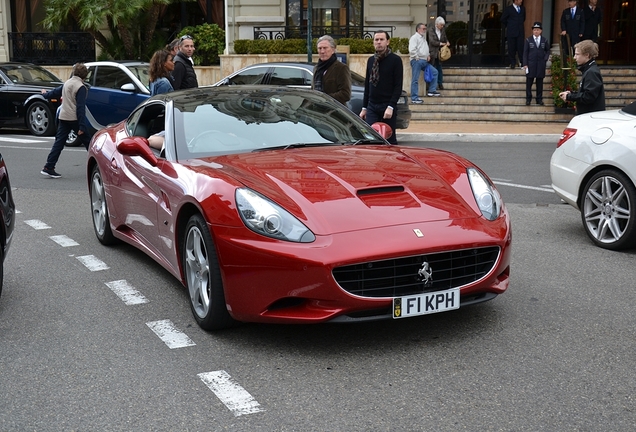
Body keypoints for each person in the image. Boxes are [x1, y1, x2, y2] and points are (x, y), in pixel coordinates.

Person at [40, 63, 90, 178]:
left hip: (63, 117)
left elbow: (55, 92)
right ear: (85, 75)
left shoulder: (67, 83)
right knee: (89, 143)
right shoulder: (80, 87)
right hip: (74, 118)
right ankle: (99, 166)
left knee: (59, 143)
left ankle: (49, 166)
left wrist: (45, 94)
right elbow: (80, 107)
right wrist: (82, 126)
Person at [360, 30, 403, 144]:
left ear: (387, 42)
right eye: (376, 40)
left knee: (389, 139)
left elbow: (398, 86)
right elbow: (367, 85)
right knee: (371, 139)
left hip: (387, 105)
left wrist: (391, 106)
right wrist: (364, 108)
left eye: (381, 40)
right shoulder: (371, 60)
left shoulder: (395, 60)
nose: (379, 42)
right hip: (372, 106)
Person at [559, 40, 605, 115]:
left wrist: (570, 96)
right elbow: (587, 93)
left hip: (590, 117)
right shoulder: (589, 70)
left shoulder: (591, 72)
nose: (574, 57)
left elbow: (588, 97)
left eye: (577, 54)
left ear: (587, 55)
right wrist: (572, 94)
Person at [312, 35, 351, 106]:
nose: (322, 51)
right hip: (317, 111)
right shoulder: (316, 68)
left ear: (333, 50)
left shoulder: (341, 68)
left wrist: (324, 98)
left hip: (335, 112)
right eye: (320, 48)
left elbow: (345, 94)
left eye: (325, 48)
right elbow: (313, 90)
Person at [409, 23, 440, 105]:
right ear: (418, 29)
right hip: (417, 61)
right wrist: (417, 58)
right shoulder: (414, 38)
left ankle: (432, 90)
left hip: (424, 60)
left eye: (425, 29)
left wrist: (428, 55)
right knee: (415, 79)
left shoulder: (423, 38)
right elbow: (412, 50)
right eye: (423, 29)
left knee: (435, 72)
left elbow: (424, 49)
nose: (425, 30)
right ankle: (414, 98)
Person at [522, 22, 551, 106]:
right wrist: (525, 63)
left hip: (540, 64)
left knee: (539, 83)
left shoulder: (544, 40)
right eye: (534, 30)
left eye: (537, 30)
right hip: (531, 64)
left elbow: (547, 50)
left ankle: (539, 99)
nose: (536, 31)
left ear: (541, 31)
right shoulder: (528, 40)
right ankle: (528, 99)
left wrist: (545, 58)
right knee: (529, 83)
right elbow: (525, 53)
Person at [500, 0, 526, 68]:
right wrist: (509, 25)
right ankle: (512, 63)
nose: (521, 1)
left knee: (521, 47)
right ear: (516, 0)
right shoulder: (508, 9)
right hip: (511, 32)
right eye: (520, 0)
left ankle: (522, 62)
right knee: (511, 47)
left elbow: (524, 18)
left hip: (520, 32)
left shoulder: (523, 9)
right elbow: (503, 19)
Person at [428, 17, 451, 90]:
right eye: (441, 25)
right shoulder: (431, 30)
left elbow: (445, 38)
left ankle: (440, 83)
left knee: (439, 68)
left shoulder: (442, 30)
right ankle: (432, 85)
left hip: (440, 52)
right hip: (433, 52)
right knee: (432, 68)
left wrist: (447, 42)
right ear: (437, 24)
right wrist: (441, 43)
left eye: (443, 25)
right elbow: (432, 41)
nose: (442, 26)